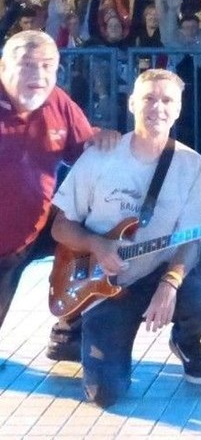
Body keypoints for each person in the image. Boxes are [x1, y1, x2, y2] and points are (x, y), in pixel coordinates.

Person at [51, 69, 201, 407]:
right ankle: (83, 329)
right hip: (104, 283)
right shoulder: (101, 156)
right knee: (105, 394)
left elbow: (193, 238)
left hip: (157, 271)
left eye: (167, 100)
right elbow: (60, 227)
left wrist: (170, 283)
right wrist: (97, 244)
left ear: (178, 109)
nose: (158, 107)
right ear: (132, 103)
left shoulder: (192, 165)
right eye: (149, 98)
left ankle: (186, 341)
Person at [0, 30, 116, 363]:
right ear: (3, 66)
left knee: (95, 233)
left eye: (47, 65)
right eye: (27, 64)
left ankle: (70, 329)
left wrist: (102, 138)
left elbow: (87, 151)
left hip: (33, 228)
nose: (38, 75)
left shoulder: (57, 101)